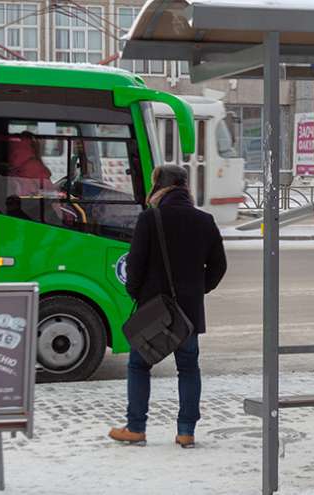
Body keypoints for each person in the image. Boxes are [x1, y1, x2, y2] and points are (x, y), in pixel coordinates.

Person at [110, 165, 227, 449]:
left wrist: (136, 293)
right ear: (184, 187)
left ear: (158, 187)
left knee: (139, 365)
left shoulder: (151, 218)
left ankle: (136, 428)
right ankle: (186, 431)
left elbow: (135, 264)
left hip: (154, 310)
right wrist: (198, 290)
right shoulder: (205, 220)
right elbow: (219, 266)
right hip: (188, 313)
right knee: (188, 368)